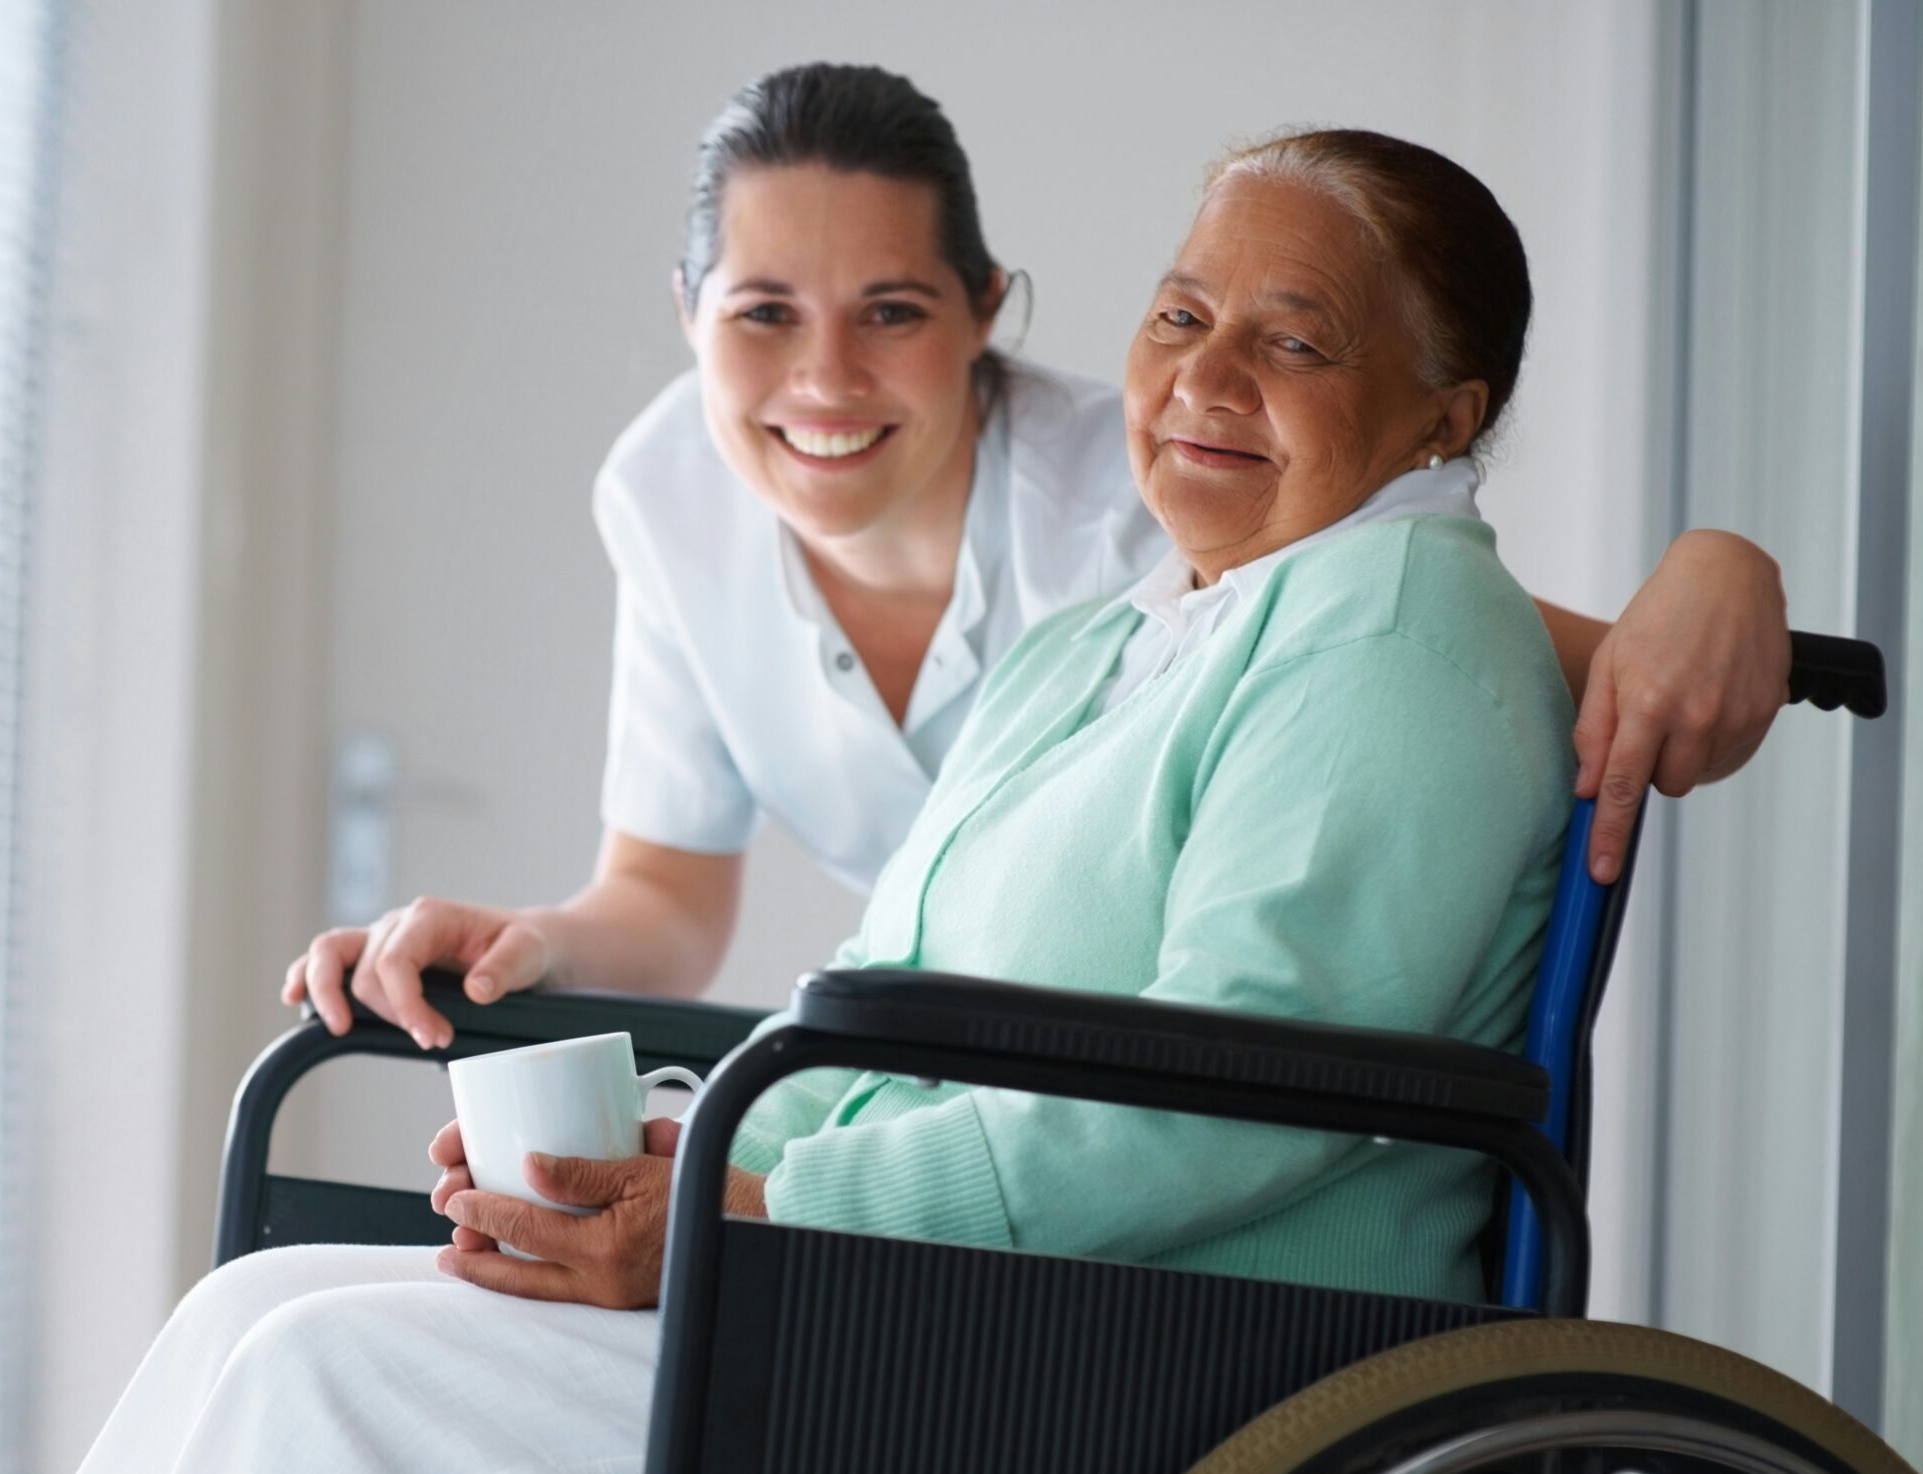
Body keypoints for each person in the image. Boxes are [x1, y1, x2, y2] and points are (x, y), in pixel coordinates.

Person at [0, 125, 1581, 1474]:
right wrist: (674, 1164)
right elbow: (872, 989)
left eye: (1294, 340)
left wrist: (774, 1212)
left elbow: (1240, 1098)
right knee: (257, 1309)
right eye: (1181, 314)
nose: (1208, 378)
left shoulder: (1399, 630)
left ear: (1447, 414)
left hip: (1167, 1377)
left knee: (345, 1387)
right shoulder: (1115, 644)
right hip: (945, 1295)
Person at [286, 63, 1788, 1056]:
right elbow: (670, 897)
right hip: (914, 1067)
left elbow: (1440, 643)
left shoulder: (1158, 504)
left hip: (1049, 1132)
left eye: (890, 311)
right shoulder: (670, 490)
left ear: (987, 307)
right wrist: (529, 948)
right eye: (761, 314)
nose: (823, 380)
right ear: (687, 313)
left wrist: (1721, 565)